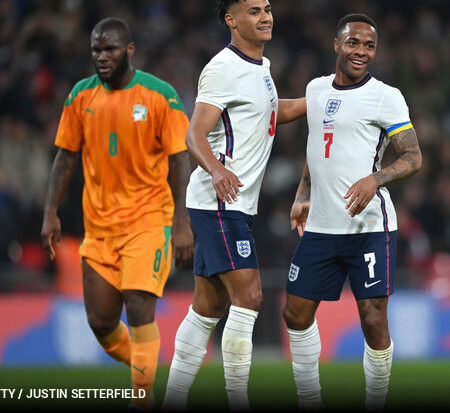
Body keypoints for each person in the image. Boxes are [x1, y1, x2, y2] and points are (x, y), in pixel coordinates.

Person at [40, 17, 193, 410]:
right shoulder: (80, 96)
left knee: (140, 306)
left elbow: (180, 161)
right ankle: (147, 370)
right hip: (100, 228)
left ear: (129, 50)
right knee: (102, 323)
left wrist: (181, 223)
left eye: (109, 49)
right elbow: (65, 156)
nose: (101, 57)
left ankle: (142, 399)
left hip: (148, 221)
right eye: (95, 50)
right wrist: (50, 212)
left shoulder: (159, 96)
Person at [161, 0, 306, 411]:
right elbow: (194, 134)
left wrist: (327, 97)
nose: (265, 17)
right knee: (251, 297)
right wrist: (216, 171)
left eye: (268, 9)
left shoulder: (261, 68)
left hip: (234, 203)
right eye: (254, 10)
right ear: (231, 19)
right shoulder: (223, 67)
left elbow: (273, 115)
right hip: (220, 200)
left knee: (208, 306)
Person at [283, 14, 422, 411]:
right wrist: (302, 193)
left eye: (369, 46)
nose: (361, 51)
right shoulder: (315, 90)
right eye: (353, 43)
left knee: (373, 321)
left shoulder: (386, 96)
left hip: (369, 226)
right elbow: (316, 149)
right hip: (323, 226)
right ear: (336, 44)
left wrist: (374, 180)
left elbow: (413, 157)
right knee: (294, 313)